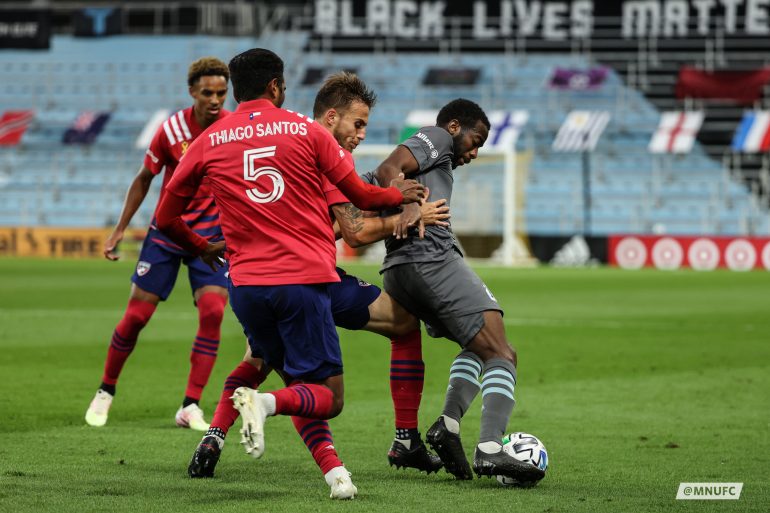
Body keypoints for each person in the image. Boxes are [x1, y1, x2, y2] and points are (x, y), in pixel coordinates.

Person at [154, 49, 425, 499]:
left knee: (257, 363)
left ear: (235, 89)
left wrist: (203, 248)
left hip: (244, 287)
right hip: (303, 281)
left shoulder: (210, 139)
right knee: (327, 396)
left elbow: (165, 218)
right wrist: (399, 196)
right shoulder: (305, 131)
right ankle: (267, 406)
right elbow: (361, 196)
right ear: (276, 86)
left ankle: (330, 472)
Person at [369, 98, 546, 484]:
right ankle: (490, 449)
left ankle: (447, 425)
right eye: (475, 139)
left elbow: (377, 179)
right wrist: (408, 202)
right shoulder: (435, 137)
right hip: (430, 259)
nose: (476, 151)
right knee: (502, 351)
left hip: (400, 270)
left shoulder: (437, 160)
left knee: (478, 347)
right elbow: (387, 170)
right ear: (454, 127)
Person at [85, 57, 231, 431]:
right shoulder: (171, 130)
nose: (215, 100)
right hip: (167, 235)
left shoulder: (232, 129)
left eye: (221, 92)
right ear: (191, 92)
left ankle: (190, 405)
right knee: (136, 318)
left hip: (210, 241)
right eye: (207, 93)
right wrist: (120, 229)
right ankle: (105, 391)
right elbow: (144, 178)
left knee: (213, 312)